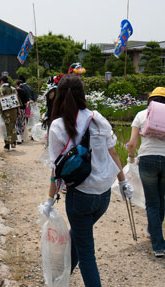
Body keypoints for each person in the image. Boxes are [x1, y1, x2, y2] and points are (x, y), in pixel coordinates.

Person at [42, 74, 133, 287]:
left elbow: (56, 170)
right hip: (103, 196)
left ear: (59, 96)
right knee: (79, 236)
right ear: (82, 95)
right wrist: (122, 182)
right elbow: (114, 155)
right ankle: (60, 280)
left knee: (87, 255)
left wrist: (49, 200)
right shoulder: (97, 118)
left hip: (79, 198)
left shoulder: (57, 126)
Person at [127, 87, 165, 257]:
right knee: (159, 198)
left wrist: (130, 157)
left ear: (150, 100)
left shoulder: (141, 115)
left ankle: (158, 245)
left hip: (148, 160)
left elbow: (131, 143)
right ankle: (153, 230)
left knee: (151, 202)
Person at [0, 76, 20, 151]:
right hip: (14, 111)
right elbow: (17, 101)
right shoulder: (13, 89)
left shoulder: (1, 90)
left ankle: (7, 145)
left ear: (1, 81)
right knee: (13, 126)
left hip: (5, 112)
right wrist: (18, 111)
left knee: (6, 128)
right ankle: (13, 141)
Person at [15, 80, 29, 144]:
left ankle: (18, 138)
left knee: (16, 123)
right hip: (23, 109)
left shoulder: (14, 91)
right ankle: (21, 137)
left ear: (17, 85)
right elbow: (26, 103)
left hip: (16, 109)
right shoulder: (25, 92)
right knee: (22, 123)